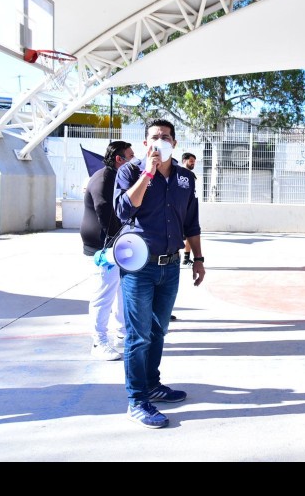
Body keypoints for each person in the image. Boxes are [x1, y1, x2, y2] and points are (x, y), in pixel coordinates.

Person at [114, 119, 205, 429]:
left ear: (174, 143)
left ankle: (152, 385)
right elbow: (124, 211)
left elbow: (191, 222)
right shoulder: (130, 171)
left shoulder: (185, 178)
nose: (160, 141)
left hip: (171, 266)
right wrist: (148, 173)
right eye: (154, 137)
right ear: (145, 143)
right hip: (138, 266)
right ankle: (137, 401)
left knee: (158, 331)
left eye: (165, 137)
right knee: (138, 336)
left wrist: (198, 258)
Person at [80, 140, 134, 361]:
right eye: (131, 156)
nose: (135, 160)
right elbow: (104, 210)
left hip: (117, 244)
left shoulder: (116, 176)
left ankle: (123, 331)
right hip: (104, 247)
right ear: (119, 159)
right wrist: (115, 240)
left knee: (121, 290)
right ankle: (98, 341)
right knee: (104, 294)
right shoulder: (104, 178)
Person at [181, 152, 197, 266]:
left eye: (194, 162)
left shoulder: (191, 175)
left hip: (189, 209)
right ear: (184, 161)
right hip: (180, 210)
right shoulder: (178, 174)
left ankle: (186, 258)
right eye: (191, 161)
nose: (193, 163)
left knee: (190, 234)